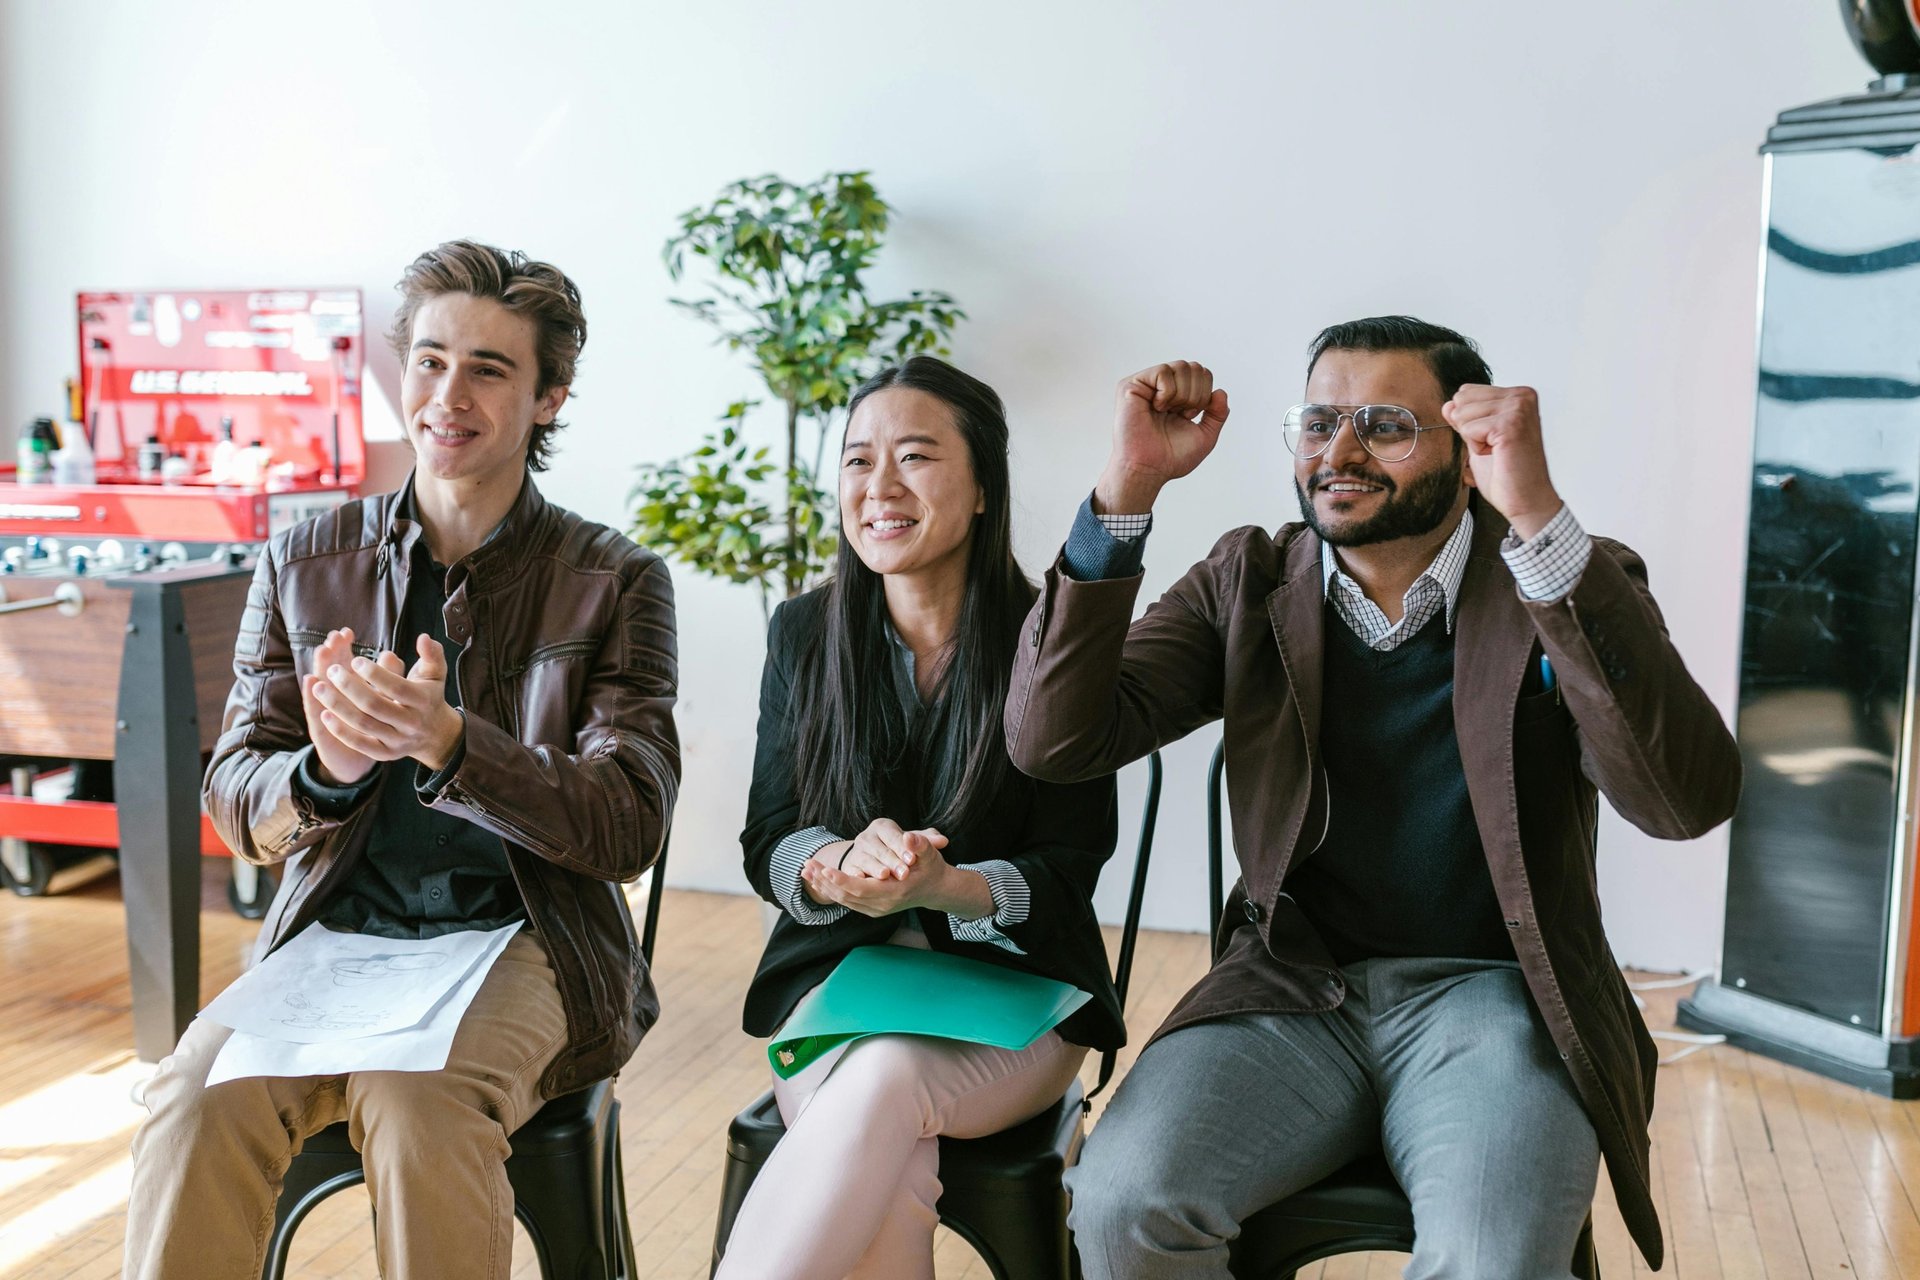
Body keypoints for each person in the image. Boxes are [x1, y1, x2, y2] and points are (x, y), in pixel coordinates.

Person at [1005, 318, 1741, 1278]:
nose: (1339, 453)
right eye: (1317, 422)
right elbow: (1052, 741)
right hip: (1290, 991)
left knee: (1492, 1258)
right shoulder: (1249, 581)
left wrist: (1540, 523)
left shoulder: (1552, 582)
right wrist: (1127, 491)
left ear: (1468, 453)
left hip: (1496, 1001)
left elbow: (1682, 801)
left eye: (1386, 424)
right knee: (1122, 1204)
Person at [123, 240, 681, 1280]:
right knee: (192, 1092)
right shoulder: (303, 557)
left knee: (418, 1098)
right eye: (429, 360)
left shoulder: (615, 578)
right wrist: (323, 769)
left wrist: (454, 743)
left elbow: (630, 820)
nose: (448, 394)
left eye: (489, 367)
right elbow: (235, 795)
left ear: (549, 397)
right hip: (336, 937)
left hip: (525, 934)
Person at [718, 355, 1123, 1280]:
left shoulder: (1053, 645)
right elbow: (769, 834)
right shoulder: (804, 632)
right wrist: (828, 869)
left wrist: (957, 889)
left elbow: (1071, 861)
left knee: (889, 1081)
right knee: (894, 1158)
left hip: (1018, 1003)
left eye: (914, 457)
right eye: (858, 462)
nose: (879, 488)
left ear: (984, 487)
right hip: (836, 987)